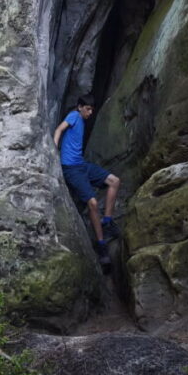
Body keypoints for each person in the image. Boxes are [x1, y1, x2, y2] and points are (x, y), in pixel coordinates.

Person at [53, 94, 121, 265]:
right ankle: (101, 244)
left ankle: (107, 221)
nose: (90, 112)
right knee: (92, 203)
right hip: (71, 169)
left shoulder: (82, 121)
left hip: (81, 165)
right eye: (88, 109)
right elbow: (59, 129)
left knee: (114, 181)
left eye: (92, 110)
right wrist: (53, 150)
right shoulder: (74, 116)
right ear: (80, 107)